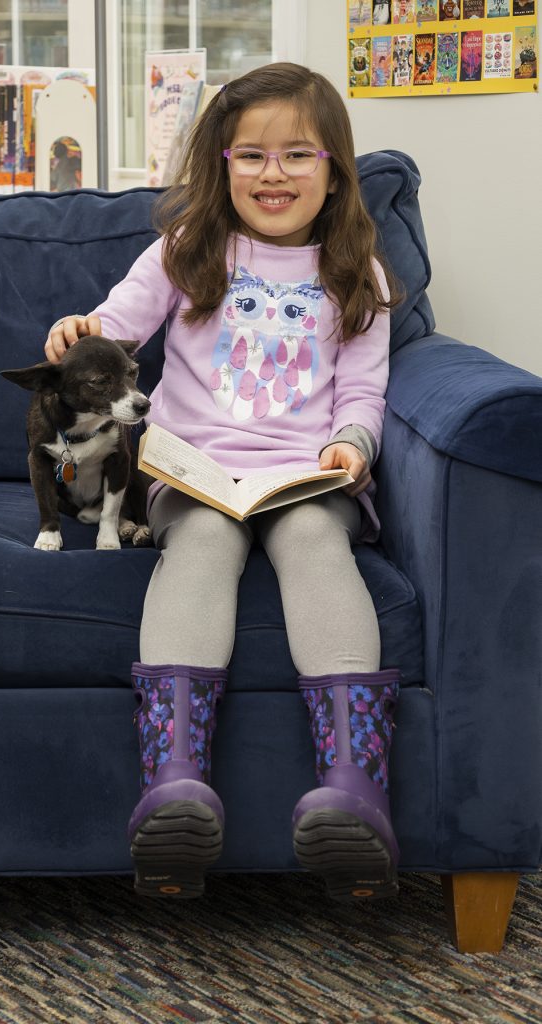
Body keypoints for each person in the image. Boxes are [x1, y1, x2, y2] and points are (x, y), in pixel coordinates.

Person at [45, 63, 403, 902]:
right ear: (221, 165)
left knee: (317, 539)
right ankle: (173, 786)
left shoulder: (358, 277)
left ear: (332, 168)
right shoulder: (183, 251)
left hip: (300, 476)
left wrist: (350, 447)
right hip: (192, 471)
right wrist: (77, 330)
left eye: (295, 155)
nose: (272, 174)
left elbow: (362, 392)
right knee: (201, 542)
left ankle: (355, 792)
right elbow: (114, 329)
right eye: (250, 156)